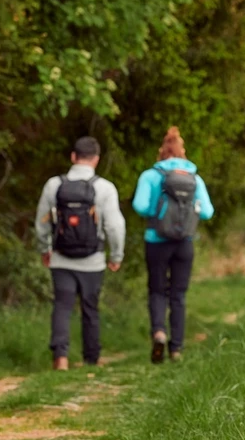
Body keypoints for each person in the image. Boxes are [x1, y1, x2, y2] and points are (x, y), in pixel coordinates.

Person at [34, 136, 125, 371]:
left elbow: (42, 222)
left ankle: (60, 358)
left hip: (61, 258)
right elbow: (114, 226)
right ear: (96, 160)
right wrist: (116, 255)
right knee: (90, 308)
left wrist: (45, 249)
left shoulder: (54, 185)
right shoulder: (104, 188)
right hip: (93, 260)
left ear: (73, 157)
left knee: (62, 306)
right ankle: (91, 359)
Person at [132, 126, 214, 364]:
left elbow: (139, 205)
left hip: (156, 241)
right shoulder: (194, 179)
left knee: (157, 290)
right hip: (184, 242)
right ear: (182, 152)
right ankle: (176, 348)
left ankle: (159, 332)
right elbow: (208, 212)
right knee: (178, 295)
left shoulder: (150, 176)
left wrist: (156, 213)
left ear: (162, 152)